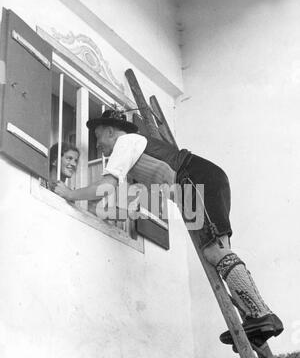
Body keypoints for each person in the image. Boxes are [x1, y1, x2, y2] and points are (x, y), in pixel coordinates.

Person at [54, 110, 283, 346]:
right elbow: (129, 198)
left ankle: (260, 315)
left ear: (111, 132)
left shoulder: (125, 142)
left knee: (214, 253)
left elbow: (106, 187)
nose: (98, 144)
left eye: (98, 137)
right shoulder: (136, 152)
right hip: (205, 179)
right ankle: (258, 322)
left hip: (194, 180)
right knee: (221, 252)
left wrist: (70, 194)